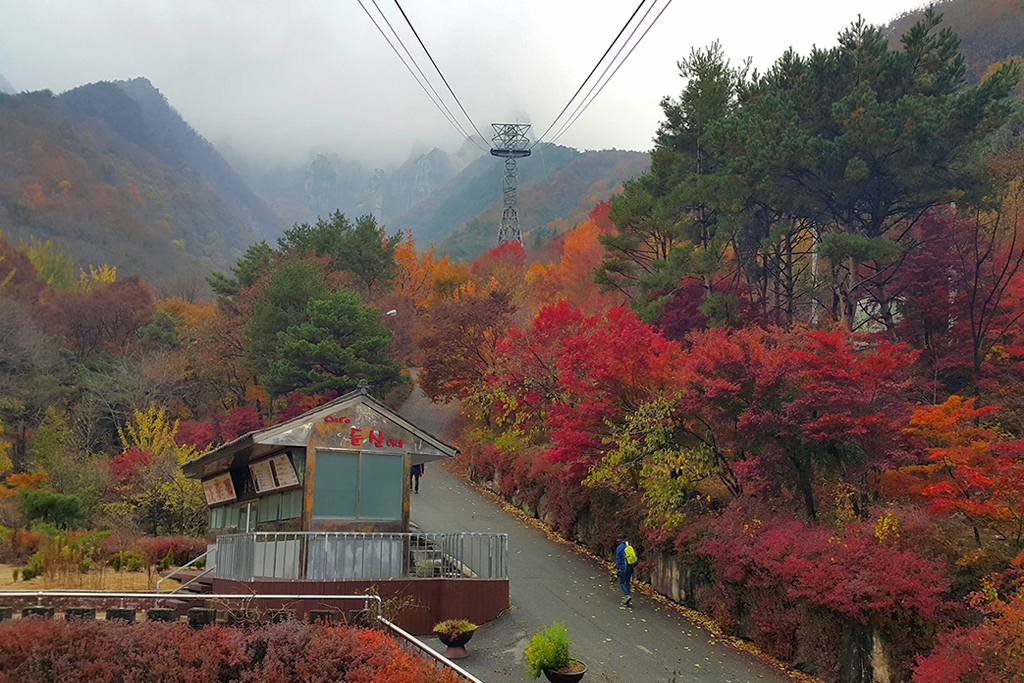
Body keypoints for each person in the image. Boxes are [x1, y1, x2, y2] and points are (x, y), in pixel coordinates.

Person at [615, 534, 637, 607]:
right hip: (630, 566)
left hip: (623, 567)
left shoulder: (619, 548)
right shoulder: (630, 545)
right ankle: (628, 598)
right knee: (627, 582)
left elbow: (618, 559)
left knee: (622, 582)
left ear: (619, 541)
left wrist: (618, 569)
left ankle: (627, 595)